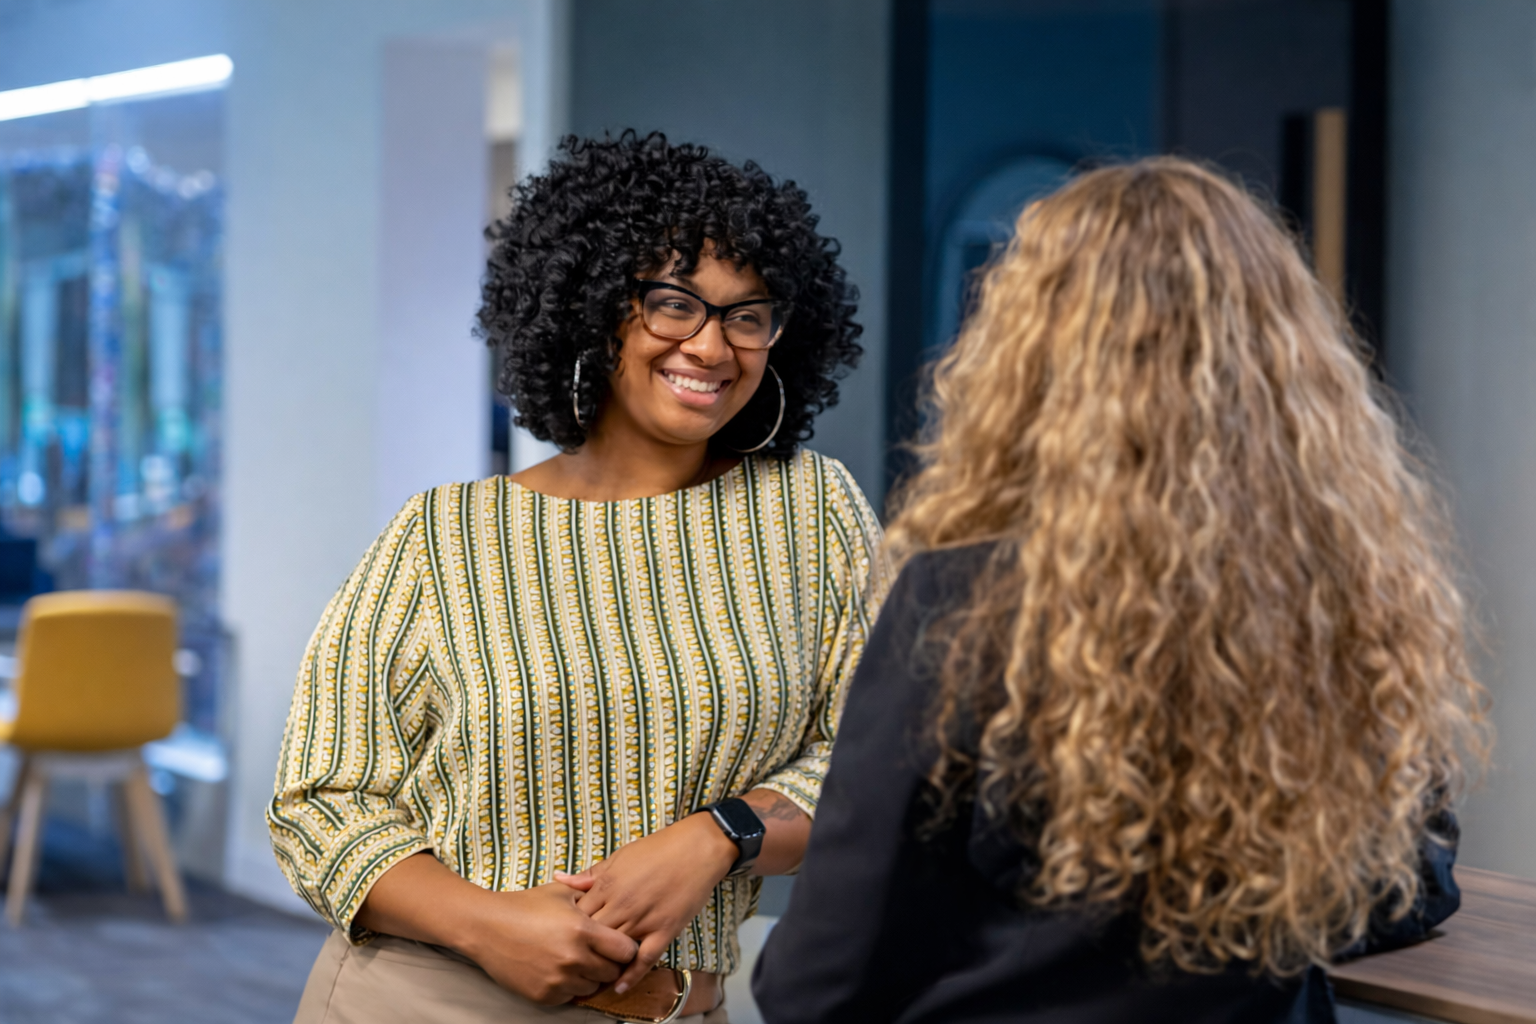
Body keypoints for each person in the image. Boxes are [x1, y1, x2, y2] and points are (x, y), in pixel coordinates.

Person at [753, 157, 1489, 1023]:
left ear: (1031, 357)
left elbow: (814, 986)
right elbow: (1405, 888)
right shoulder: (1338, 599)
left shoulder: (962, 601)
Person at [269, 131, 886, 1024]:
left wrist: (722, 836)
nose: (713, 348)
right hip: (430, 1000)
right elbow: (317, 800)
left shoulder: (814, 511)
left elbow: (877, 761)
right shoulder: (444, 536)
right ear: (594, 308)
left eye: (747, 315)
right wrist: (487, 926)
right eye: (675, 305)